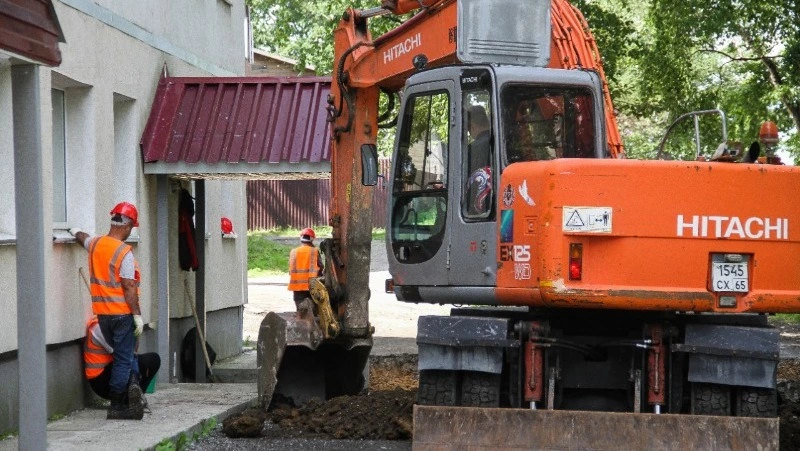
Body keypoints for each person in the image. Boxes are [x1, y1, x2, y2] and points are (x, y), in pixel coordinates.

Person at [70, 202, 145, 420]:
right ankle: (118, 406)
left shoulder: (96, 244)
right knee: (124, 358)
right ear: (128, 226)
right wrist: (137, 316)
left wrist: (73, 231)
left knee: (124, 356)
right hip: (122, 314)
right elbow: (129, 287)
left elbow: (83, 237)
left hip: (102, 315)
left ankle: (131, 392)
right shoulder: (124, 252)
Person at [84, 316, 160, 407]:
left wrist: (135, 333)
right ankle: (125, 400)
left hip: (112, 371)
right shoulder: (99, 328)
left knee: (153, 359)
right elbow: (123, 354)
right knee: (134, 363)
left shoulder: (116, 324)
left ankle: (134, 398)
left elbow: (133, 352)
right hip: (101, 381)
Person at [287, 228, 323, 320]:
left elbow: (290, 270)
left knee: (300, 312)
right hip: (311, 285)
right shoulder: (314, 251)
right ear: (312, 239)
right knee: (313, 312)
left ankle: (300, 322)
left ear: (301, 238)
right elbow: (320, 267)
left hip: (297, 286)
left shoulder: (293, 252)